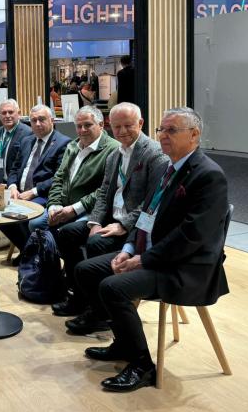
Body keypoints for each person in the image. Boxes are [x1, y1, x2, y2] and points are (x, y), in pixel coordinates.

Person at [74, 107, 229, 393]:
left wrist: (142, 260)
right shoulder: (169, 168)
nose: (163, 136)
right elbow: (146, 215)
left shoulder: (208, 176)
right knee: (85, 270)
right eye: (161, 130)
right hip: (154, 255)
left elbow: (191, 237)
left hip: (186, 267)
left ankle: (142, 365)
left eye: (172, 130)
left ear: (194, 135)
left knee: (112, 288)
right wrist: (128, 248)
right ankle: (124, 342)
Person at [56, 103, 166, 319]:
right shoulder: (114, 155)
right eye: (117, 127)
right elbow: (104, 192)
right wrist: (94, 222)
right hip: (109, 219)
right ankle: (80, 297)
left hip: (134, 228)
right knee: (67, 233)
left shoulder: (155, 154)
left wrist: (124, 225)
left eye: (128, 125)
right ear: (109, 127)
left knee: (96, 243)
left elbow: (151, 203)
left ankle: (101, 311)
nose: (122, 131)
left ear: (140, 123)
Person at [32, 106, 118, 299]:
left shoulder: (112, 150)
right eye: (78, 126)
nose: (82, 130)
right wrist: (53, 205)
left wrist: (74, 209)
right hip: (63, 205)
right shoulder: (73, 145)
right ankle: (53, 278)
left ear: (101, 125)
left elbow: (104, 191)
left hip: (90, 210)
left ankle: (76, 284)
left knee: (65, 232)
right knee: (36, 223)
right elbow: (59, 178)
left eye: (88, 125)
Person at [1, 105, 71, 258]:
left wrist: (33, 192)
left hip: (42, 194)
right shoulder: (27, 141)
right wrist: (12, 186)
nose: (37, 124)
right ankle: (29, 252)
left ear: (52, 120)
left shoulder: (63, 143)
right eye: (34, 121)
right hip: (18, 193)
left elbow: (59, 177)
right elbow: (14, 169)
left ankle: (30, 255)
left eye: (42, 119)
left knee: (21, 214)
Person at [0, 99, 32, 185]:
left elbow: (24, 165)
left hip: (15, 185)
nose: (7, 116)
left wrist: (11, 186)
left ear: (19, 113)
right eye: (3, 113)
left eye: (11, 112)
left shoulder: (28, 133)